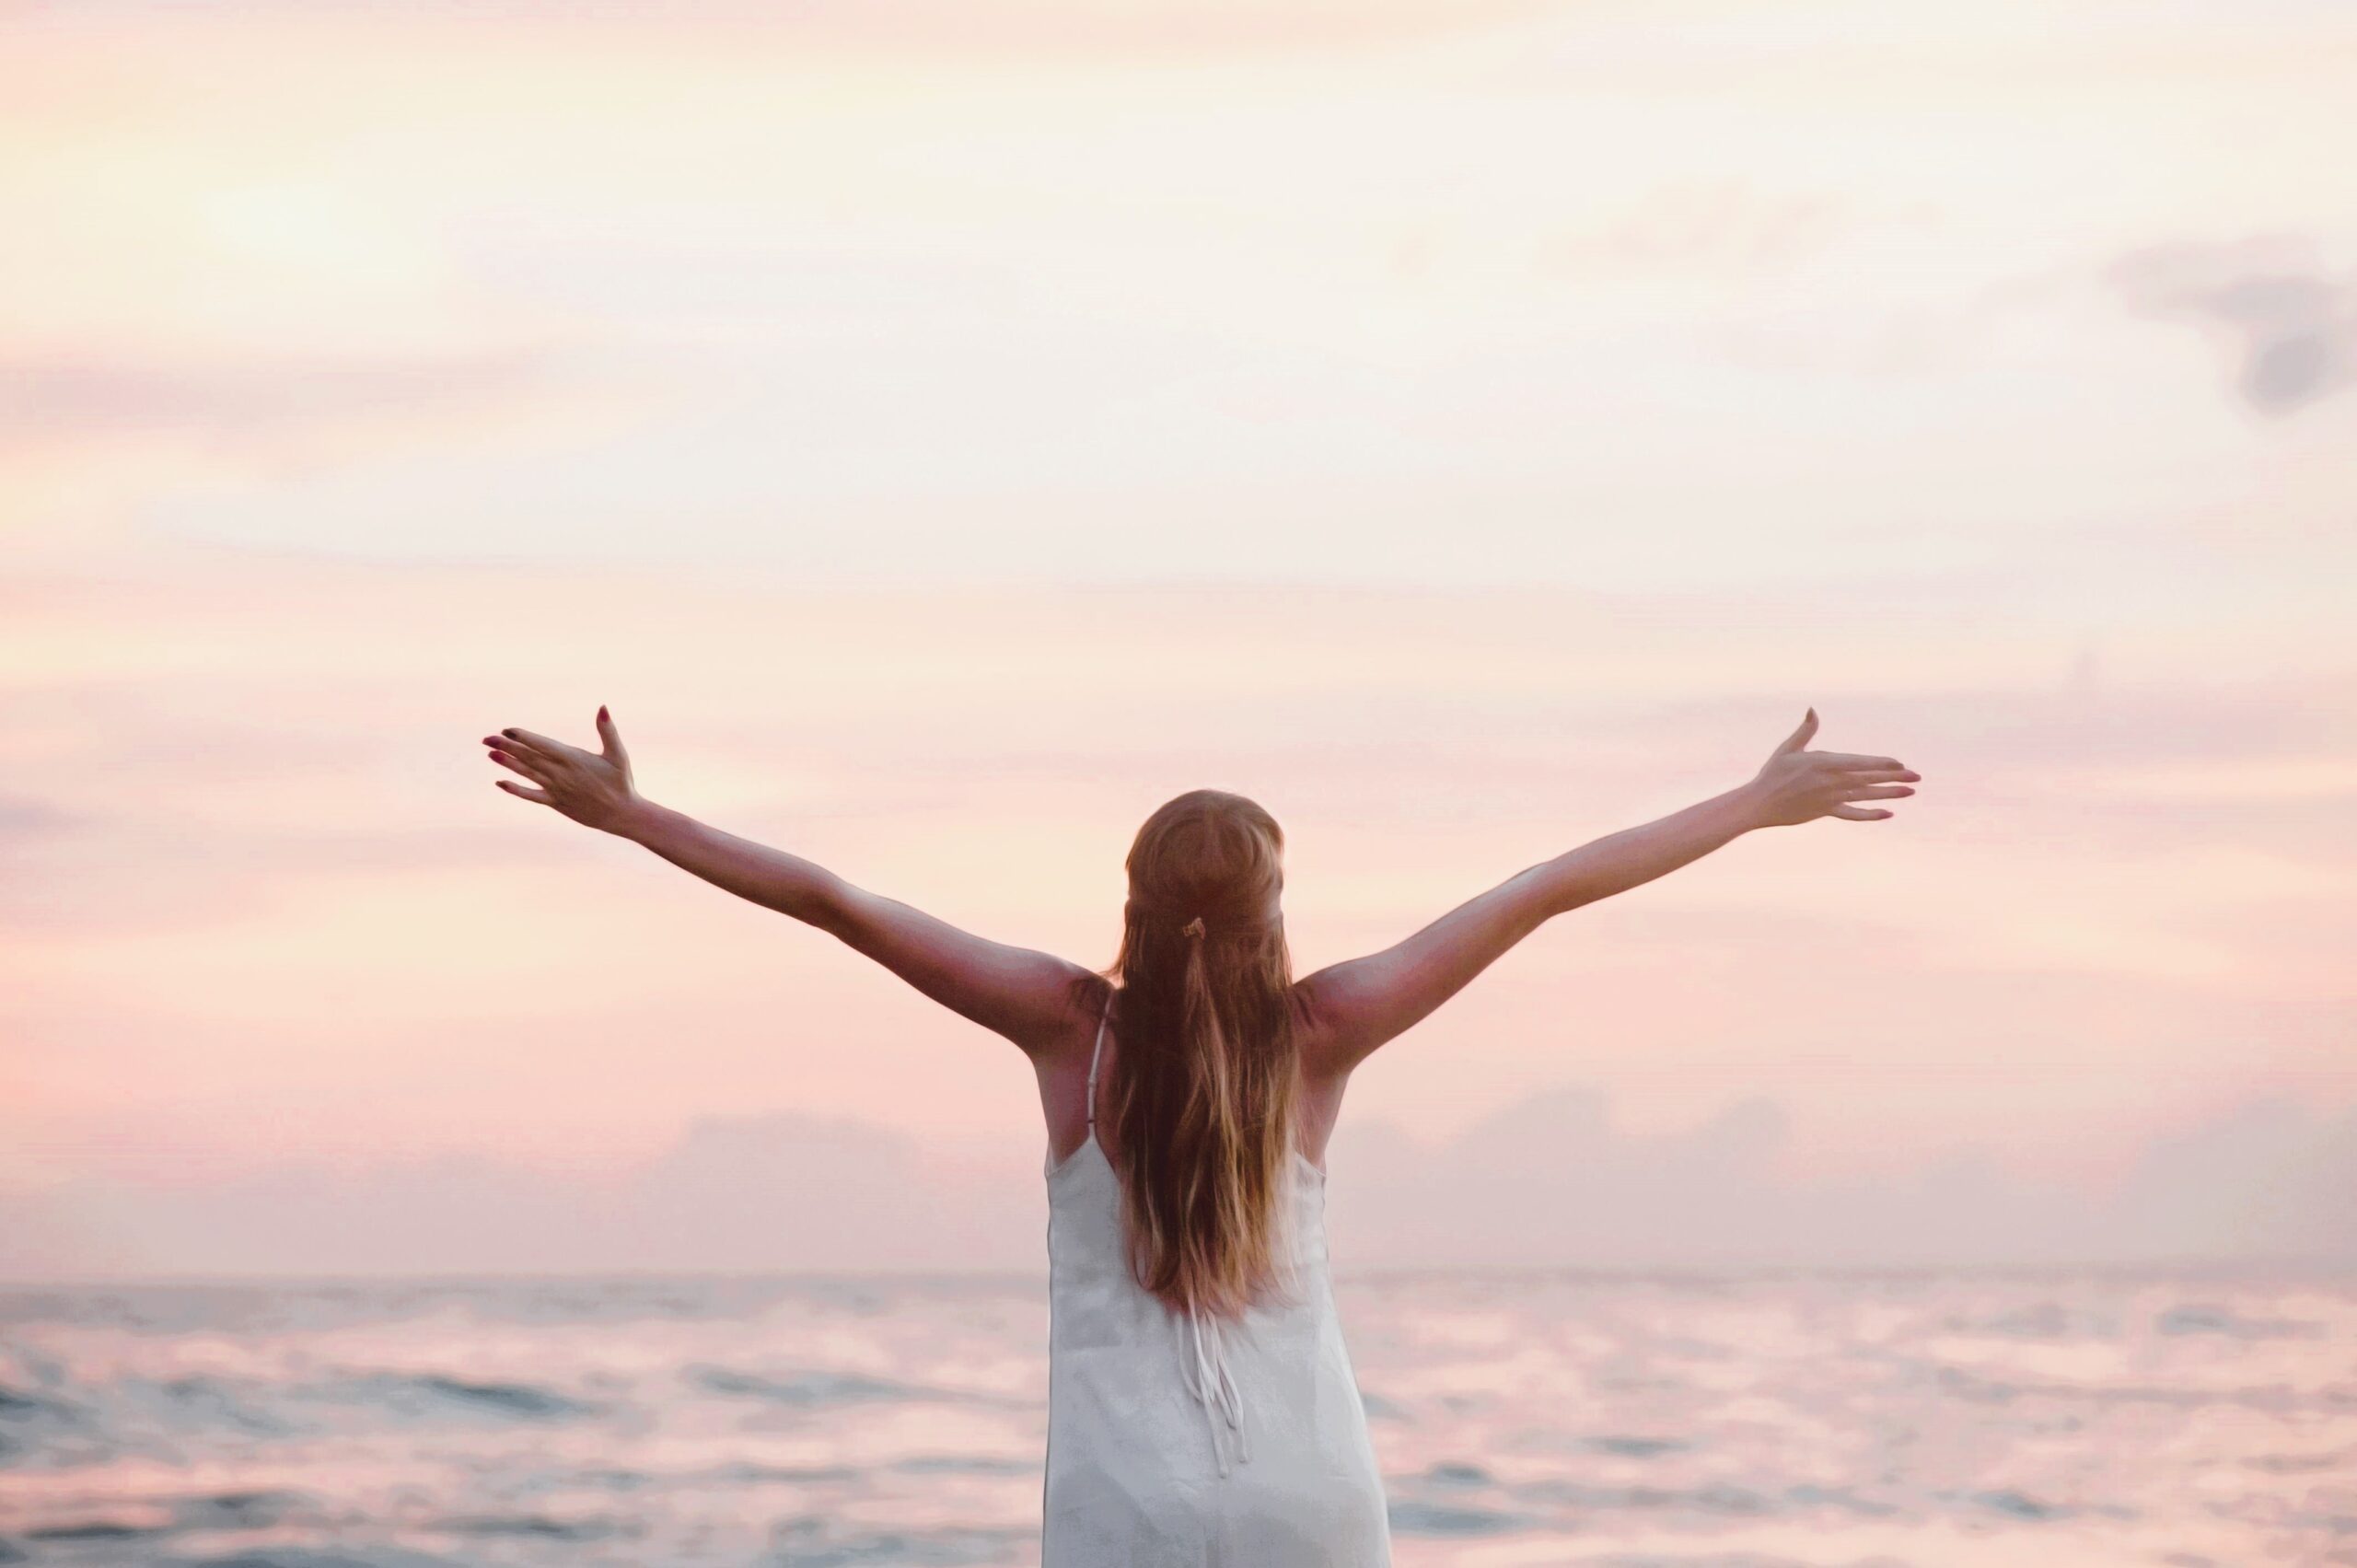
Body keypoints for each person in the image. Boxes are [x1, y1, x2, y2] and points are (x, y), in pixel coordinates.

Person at [480, 705, 1917, 1565]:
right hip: (1309, 1495)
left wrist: (633, 816)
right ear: (1274, 909)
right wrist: (1751, 805)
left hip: (1125, 1510)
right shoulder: (1329, 1028)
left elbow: (839, 901)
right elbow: (1543, 886)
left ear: (1133, 894)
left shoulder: (1063, 1028)